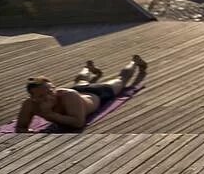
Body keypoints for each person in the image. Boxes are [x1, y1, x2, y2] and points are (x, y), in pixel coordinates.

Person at [16, 56, 147, 132]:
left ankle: (134, 62)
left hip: (97, 93)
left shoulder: (69, 95)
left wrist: (50, 114)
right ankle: (87, 68)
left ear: (55, 88)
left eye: (50, 92)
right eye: (41, 96)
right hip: (79, 90)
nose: (48, 97)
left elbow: (78, 123)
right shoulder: (29, 104)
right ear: (32, 98)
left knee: (121, 80)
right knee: (81, 80)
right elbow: (21, 128)